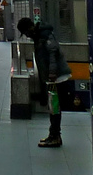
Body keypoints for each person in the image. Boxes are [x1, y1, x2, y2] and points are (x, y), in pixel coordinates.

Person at [17, 16, 72, 147]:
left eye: (26, 33)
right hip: (51, 78)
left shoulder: (45, 35)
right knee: (53, 107)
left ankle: (55, 136)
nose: (27, 36)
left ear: (29, 28)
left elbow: (53, 53)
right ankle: (53, 135)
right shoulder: (39, 36)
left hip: (56, 78)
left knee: (54, 107)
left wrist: (52, 73)